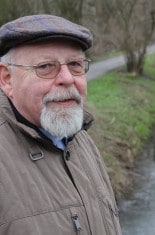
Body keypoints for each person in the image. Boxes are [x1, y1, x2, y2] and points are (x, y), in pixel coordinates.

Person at [0, 14, 122, 235]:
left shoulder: (81, 139)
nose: (67, 78)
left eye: (75, 64)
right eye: (46, 66)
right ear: (7, 78)